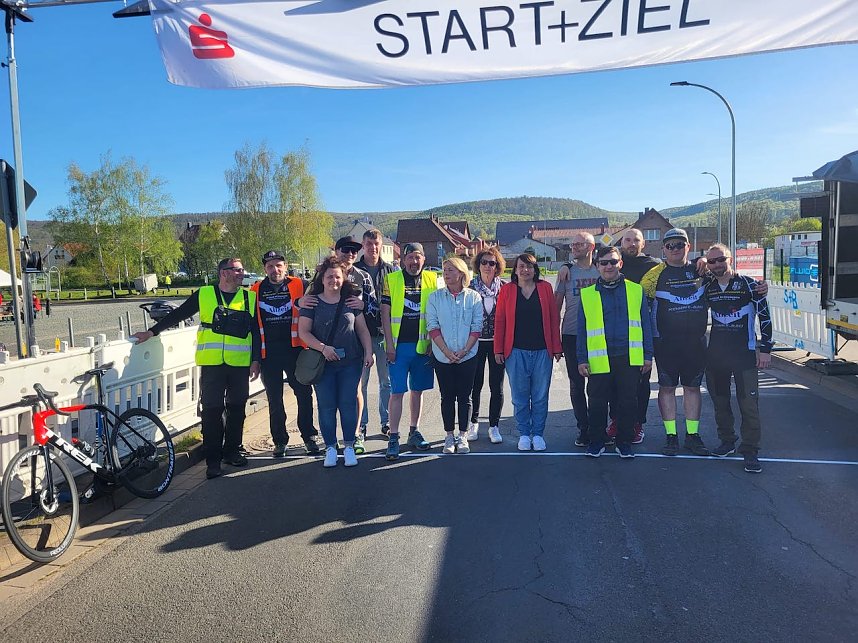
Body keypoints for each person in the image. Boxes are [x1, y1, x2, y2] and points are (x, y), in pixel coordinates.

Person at [133, 257, 260, 480]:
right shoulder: (205, 294)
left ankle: (232, 451)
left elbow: (256, 332)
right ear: (224, 273)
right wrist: (152, 332)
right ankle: (213, 461)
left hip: (240, 363)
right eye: (237, 270)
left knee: (237, 407)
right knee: (211, 410)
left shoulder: (250, 297)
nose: (242, 273)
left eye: (242, 270)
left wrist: (255, 360)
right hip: (212, 363)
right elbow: (178, 314)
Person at [302, 236, 376, 453]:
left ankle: (351, 443)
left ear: (344, 279)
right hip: (323, 362)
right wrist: (323, 348)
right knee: (326, 406)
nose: (333, 280)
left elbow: (364, 324)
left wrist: (368, 352)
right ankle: (331, 448)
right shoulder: (313, 297)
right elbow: (303, 330)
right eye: (329, 277)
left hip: (351, 360)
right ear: (323, 278)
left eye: (337, 277)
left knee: (349, 403)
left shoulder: (356, 288)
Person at [577, 246, 653, 459]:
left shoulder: (636, 290)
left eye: (613, 262)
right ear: (597, 265)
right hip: (598, 358)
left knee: (627, 402)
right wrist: (582, 358)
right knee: (597, 402)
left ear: (621, 263)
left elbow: (645, 325)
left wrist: (648, 355)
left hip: (629, 356)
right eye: (604, 262)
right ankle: (596, 441)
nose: (609, 266)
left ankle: (624, 442)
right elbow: (582, 330)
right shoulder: (587, 294)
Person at [703, 244, 773, 473]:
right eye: (711, 261)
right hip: (715, 355)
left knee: (748, 404)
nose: (716, 265)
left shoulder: (751, 285)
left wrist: (766, 350)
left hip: (744, 354)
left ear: (730, 259)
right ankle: (727, 441)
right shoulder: (706, 285)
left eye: (720, 259)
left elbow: (765, 317)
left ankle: (750, 450)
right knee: (720, 402)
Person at [249, 250, 322, 457]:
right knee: (275, 399)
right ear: (264, 268)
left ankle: (309, 437)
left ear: (285, 265)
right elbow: (253, 326)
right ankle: (280, 441)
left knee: (304, 394)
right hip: (268, 353)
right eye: (270, 266)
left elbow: (322, 288)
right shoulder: (255, 290)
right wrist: (254, 359)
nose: (275, 270)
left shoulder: (299, 284)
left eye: (279, 265)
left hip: (295, 349)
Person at [494, 253, 563, 451]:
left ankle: (538, 434)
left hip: (542, 351)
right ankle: (524, 433)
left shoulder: (545, 288)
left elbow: (553, 319)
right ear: (515, 269)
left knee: (540, 396)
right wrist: (498, 348)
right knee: (520, 396)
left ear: (535, 269)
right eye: (521, 266)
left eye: (530, 267)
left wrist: (557, 347)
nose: (525, 270)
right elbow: (500, 321)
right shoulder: (507, 290)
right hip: (515, 352)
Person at [381, 242, 439, 460]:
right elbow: (385, 314)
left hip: (422, 346)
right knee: (397, 392)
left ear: (424, 259)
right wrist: (389, 344)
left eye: (418, 257)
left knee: (418, 390)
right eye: (410, 258)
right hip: (399, 346)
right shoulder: (392, 280)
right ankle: (394, 436)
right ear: (403, 260)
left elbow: (436, 311)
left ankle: (413, 432)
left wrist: (434, 343)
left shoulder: (433, 279)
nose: (414, 262)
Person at [427, 257, 483, 454]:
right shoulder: (435, 298)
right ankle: (449, 436)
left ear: (461, 273)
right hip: (443, 357)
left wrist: (465, 350)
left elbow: (477, 327)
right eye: (444, 270)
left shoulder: (474, 297)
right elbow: (432, 327)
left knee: (465, 397)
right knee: (447, 397)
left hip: (468, 356)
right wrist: (447, 352)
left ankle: (463, 435)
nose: (446, 273)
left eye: (450, 270)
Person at [554, 233, 600, 447]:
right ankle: (584, 428)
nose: (574, 247)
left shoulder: (601, 269)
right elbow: (556, 307)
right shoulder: (566, 272)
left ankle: (599, 427)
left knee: (599, 386)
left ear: (591, 247)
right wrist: (555, 340)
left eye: (579, 244)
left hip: (598, 336)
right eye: (572, 244)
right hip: (572, 335)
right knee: (576, 385)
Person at [354, 228, 395, 444]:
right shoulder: (354, 271)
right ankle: (361, 425)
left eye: (376, 243)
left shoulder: (390, 271)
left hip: (383, 333)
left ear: (381, 244)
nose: (373, 247)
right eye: (369, 243)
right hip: (361, 336)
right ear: (363, 245)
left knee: (386, 382)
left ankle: (386, 422)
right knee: (361, 383)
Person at [467, 246, 507, 444]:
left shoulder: (505, 287)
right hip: (475, 343)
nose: (488, 266)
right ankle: (473, 423)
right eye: (484, 262)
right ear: (478, 265)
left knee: (496, 386)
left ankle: (493, 426)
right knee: (475, 385)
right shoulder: (470, 288)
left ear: (497, 266)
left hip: (497, 344)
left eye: (492, 263)